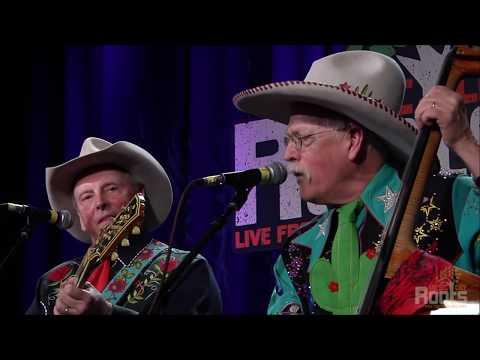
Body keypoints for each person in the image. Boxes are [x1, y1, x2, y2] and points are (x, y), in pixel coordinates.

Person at [233, 50, 479, 314]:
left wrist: (464, 143)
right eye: (288, 141)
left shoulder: (453, 198)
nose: (288, 154)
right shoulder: (299, 249)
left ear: (353, 140)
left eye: (301, 139)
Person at [26, 137, 222, 315]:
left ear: (139, 196)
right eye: (87, 196)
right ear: (80, 217)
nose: (100, 202)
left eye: (112, 189)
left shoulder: (184, 268)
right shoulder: (52, 282)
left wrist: (108, 314)